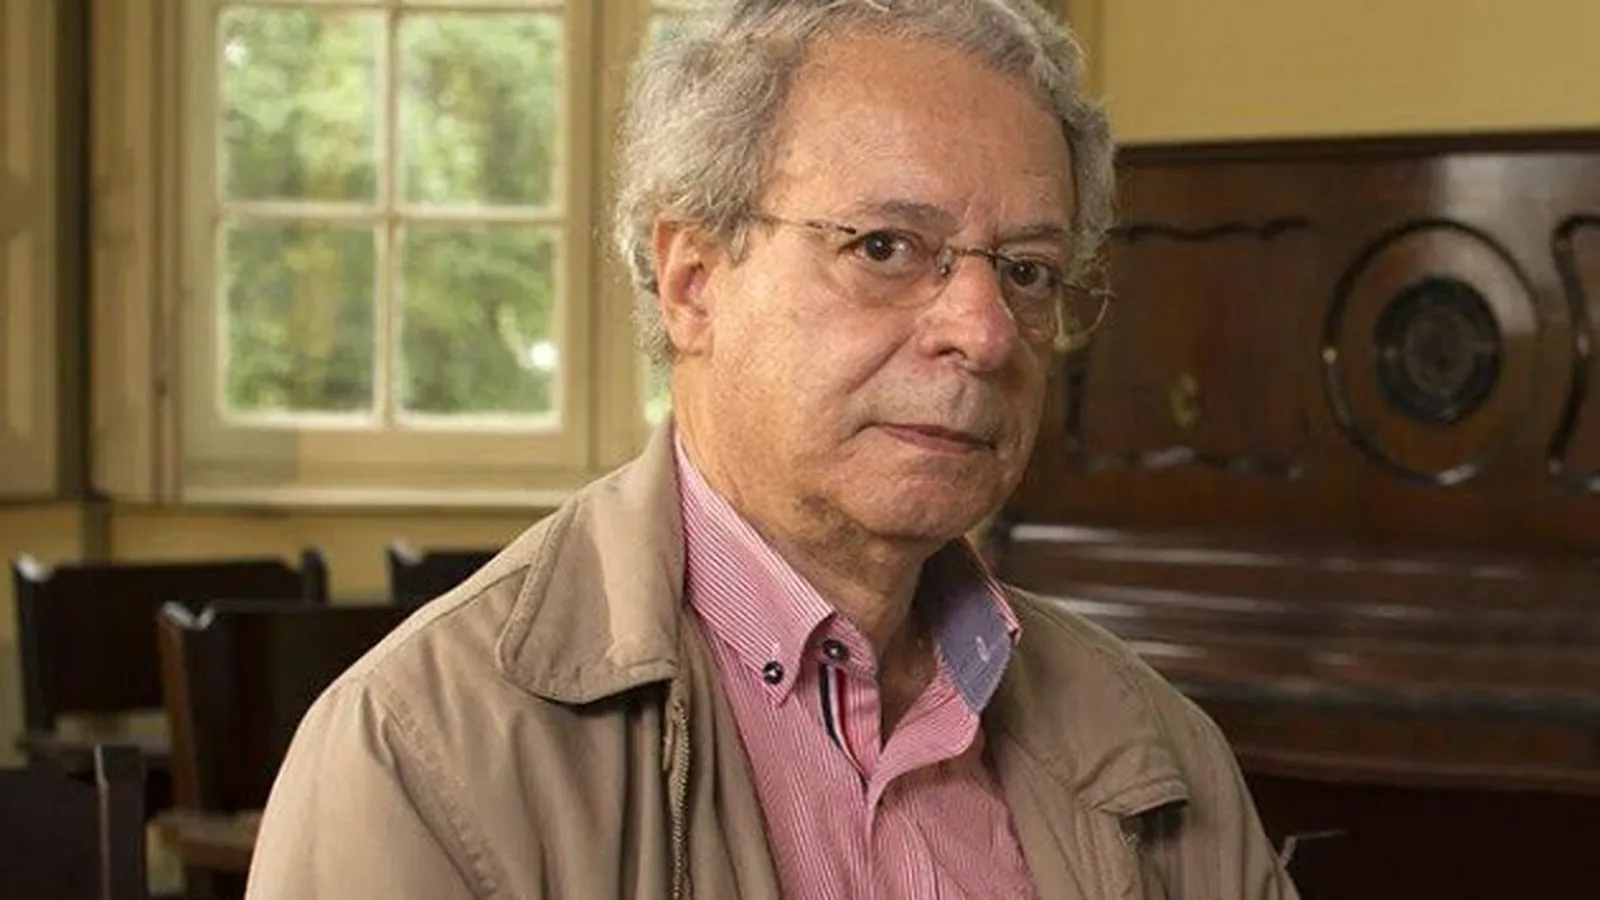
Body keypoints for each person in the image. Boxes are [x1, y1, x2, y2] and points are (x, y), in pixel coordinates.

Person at [246, 1, 1299, 898]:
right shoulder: (421, 758)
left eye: (1026, 269)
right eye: (884, 247)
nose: (984, 332)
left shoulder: (1163, 752)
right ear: (693, 280)